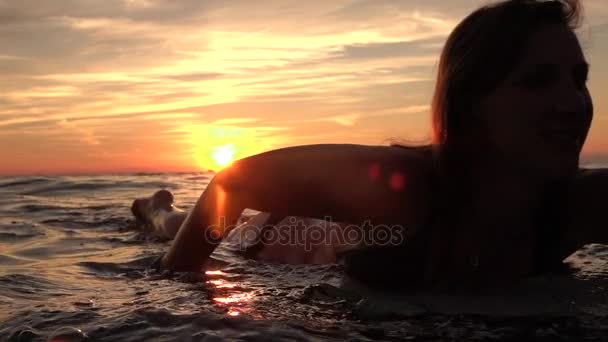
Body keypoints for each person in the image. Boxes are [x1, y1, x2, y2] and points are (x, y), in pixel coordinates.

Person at [149, 0, 606, 291]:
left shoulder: (586, 204)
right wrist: (182, 286)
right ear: (471, 105)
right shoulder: (404, 189)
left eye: (579, 79)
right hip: (287, 237)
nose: (573, 103)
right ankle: (153, 208)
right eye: (537, 82)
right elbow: (236, 181)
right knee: (179, 227)